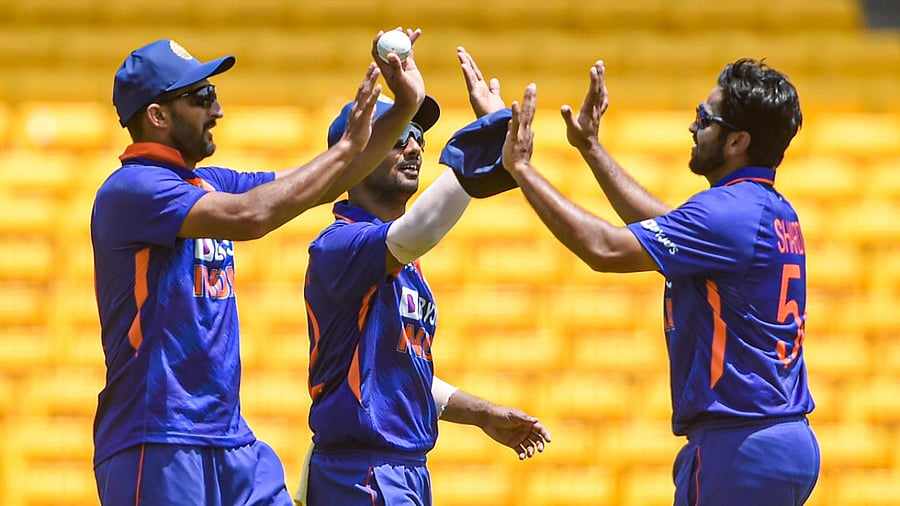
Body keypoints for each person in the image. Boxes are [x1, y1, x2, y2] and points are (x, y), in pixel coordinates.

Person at [91, 31, 427, 505]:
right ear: (158, 115)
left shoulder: (206, 182)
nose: (218, 110)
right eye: (202, 96)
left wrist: (406, 106)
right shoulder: (132, 190)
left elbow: (328, 181)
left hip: (229, 439)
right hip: (158, 435)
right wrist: (346, 148)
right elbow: (251, 217)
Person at [500, 59, 819, 505]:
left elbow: (605, 249)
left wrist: (522, 170)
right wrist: (591, 147)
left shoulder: (727, 212)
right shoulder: (771, 208)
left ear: (737, 141)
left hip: (739, 444)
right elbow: (667, 227)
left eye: (705, 119)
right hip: (782, 438)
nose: (693, 127)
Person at [298, 47, 551, 506]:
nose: (414, 147)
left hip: (405, 471)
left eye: (418, 137)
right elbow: (421, 230)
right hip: (363, 474)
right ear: (354, 157)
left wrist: (483, 414)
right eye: (397, 138)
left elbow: (398, 372)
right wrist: (488, 136)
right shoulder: (340, 245)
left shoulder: (403, 262)